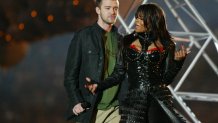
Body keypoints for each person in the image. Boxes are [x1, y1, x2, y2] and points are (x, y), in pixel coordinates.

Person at [85, 3, 189, 123]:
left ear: (151, 20)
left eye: (140, 17)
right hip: (134, 100)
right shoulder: (126, 42)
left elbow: (166, 80)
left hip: (158, 99)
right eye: (136, 17)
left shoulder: (167, 45)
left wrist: (178, 63)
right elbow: (118, 73)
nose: (136, 20)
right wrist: (99, 85)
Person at [63, 0, 124, 123]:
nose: (113, 12)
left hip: (115, 110)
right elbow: (70, 76)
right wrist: (76, 102)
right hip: (90, 110)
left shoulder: (120, 40)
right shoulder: (83, 36)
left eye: (115, 8)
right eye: (107, 8)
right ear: (98, 10)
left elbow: (120, 73)